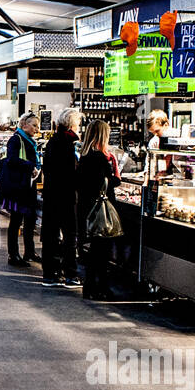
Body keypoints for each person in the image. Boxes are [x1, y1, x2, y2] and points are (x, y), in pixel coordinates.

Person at [76, 119, 119, 301]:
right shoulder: (100, 158)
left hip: (86, 207)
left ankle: (90, 287)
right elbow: (107, 183)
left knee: (94, 250)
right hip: (100, 209)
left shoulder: (84, 156)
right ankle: (100, 287)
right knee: (101, 252)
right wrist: (116, 178)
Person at [41, 108, 82, 288]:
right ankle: (70, 274)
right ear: (72, 125)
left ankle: (49, 273)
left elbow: (47, 168)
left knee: (50, 234)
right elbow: (73, 173)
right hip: (66, 196)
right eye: (78, 125)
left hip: (51, 194)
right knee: (69, 235)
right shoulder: (70, 144)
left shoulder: (52, 142)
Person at [0, 113, 41, 268]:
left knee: (30, 219)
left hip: (28, 186)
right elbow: (12, 160)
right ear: (24, 125)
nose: (37, 129)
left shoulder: (30, 141)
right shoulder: (16, 140)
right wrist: (30, 166)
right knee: (16, 221)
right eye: (34, 125)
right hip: (18, 187)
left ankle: (29, 251)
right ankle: (13, 254)